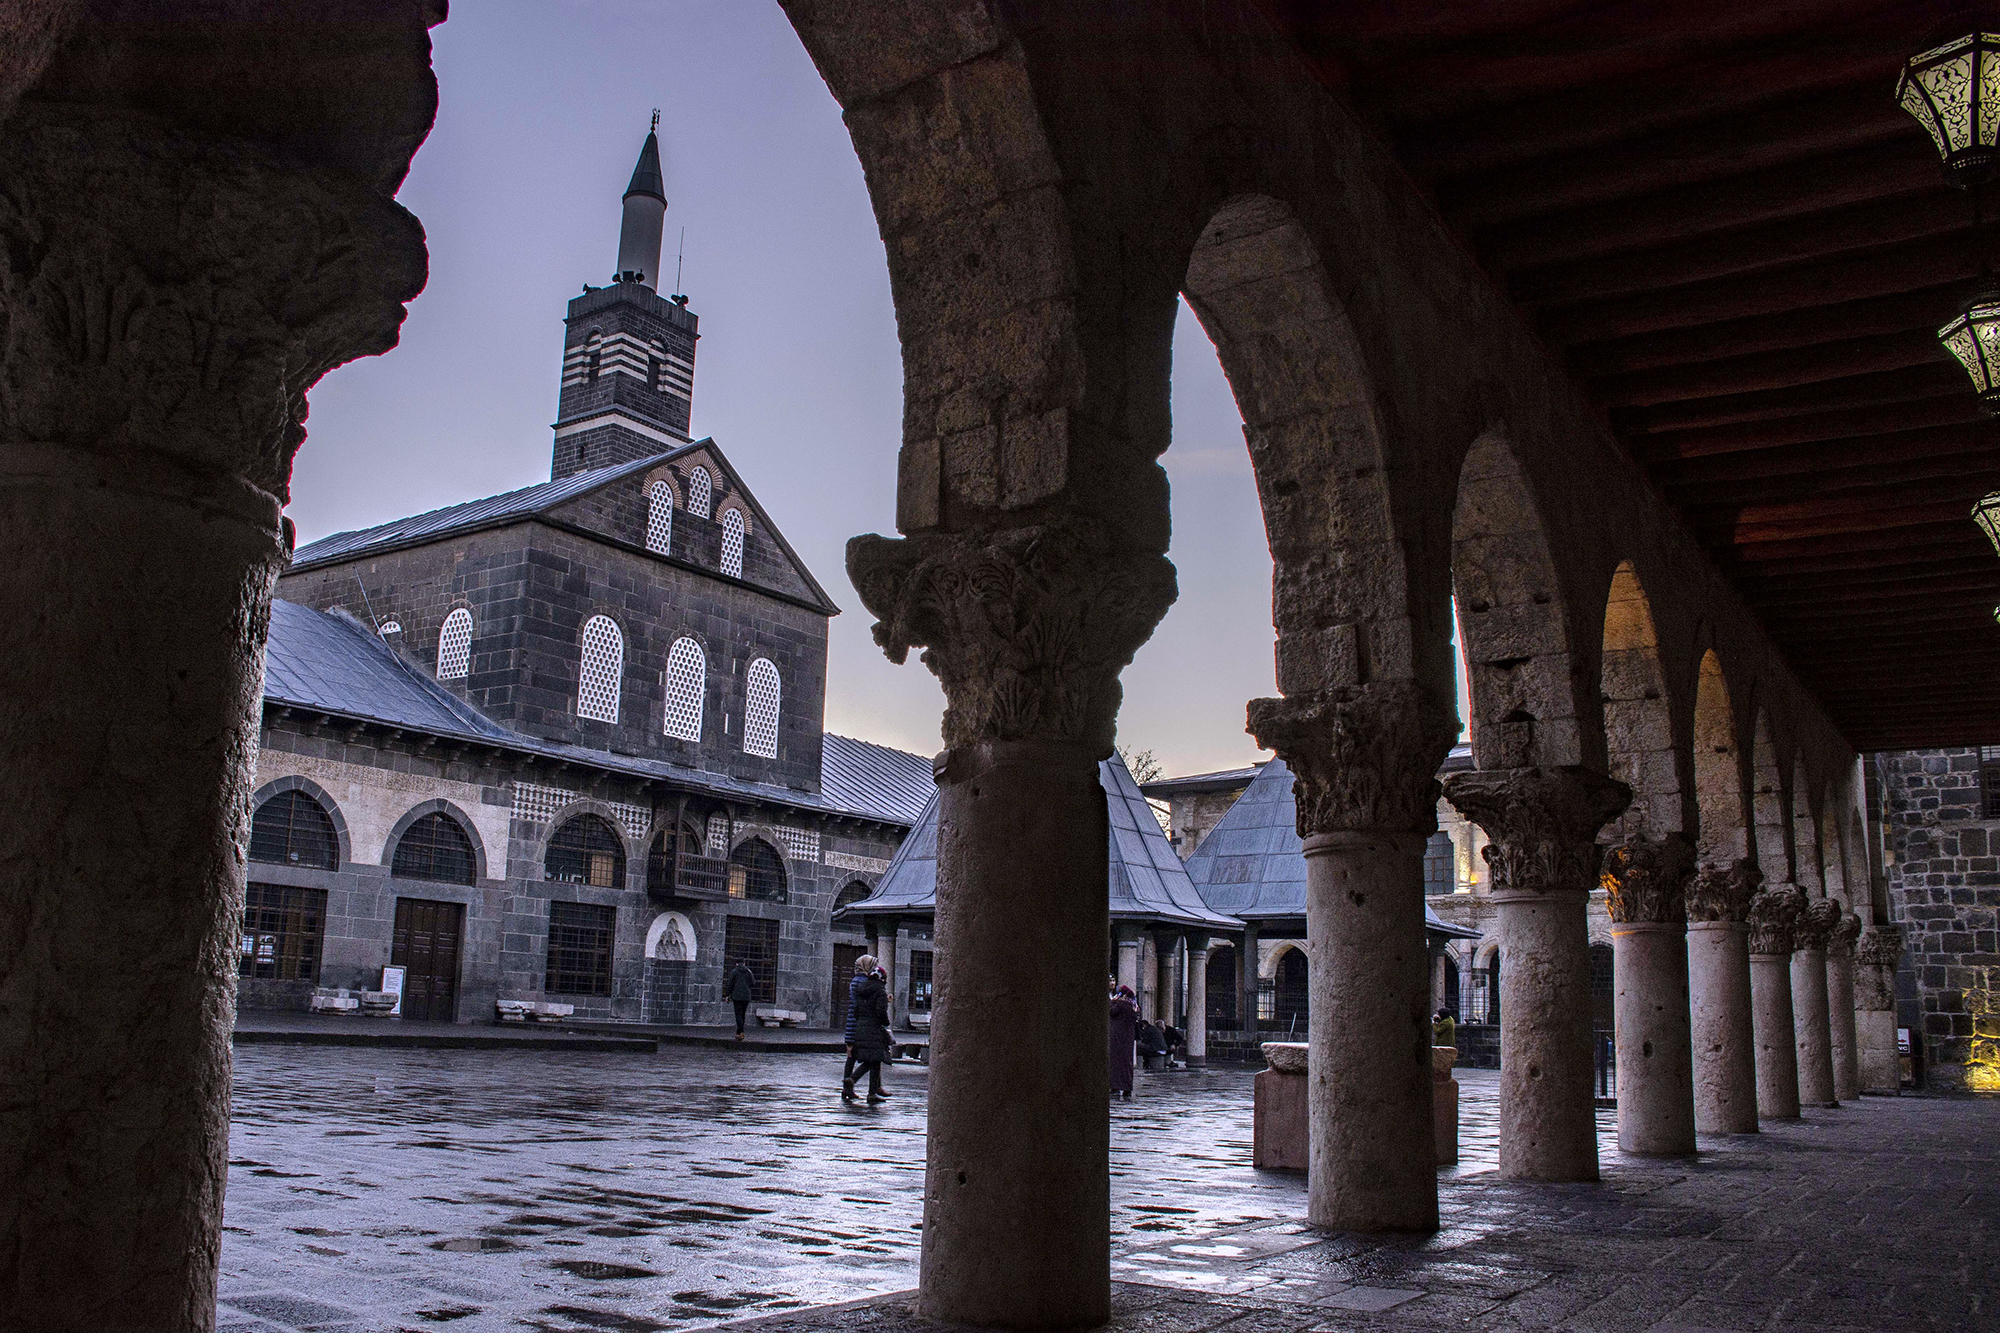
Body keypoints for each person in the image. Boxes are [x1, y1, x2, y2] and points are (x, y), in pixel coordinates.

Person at [849, 965, 894, 1104]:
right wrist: (886, 1023)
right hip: (874, 1029)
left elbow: (856, 1010)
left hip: (861, 1027)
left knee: (873, 1060)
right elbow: (881, 1012)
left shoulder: (861, 990)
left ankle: (871, 1091)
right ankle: (855, 1082)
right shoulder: (880, 991)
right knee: (875, 1059)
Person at [841, 953, 878, 1098]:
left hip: (853, 1025)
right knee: (870, 1058)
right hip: (859, 1026)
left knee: (851, 1057)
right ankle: (851, 1083)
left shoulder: (855, 980)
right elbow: (862, 1006)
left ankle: (847, 1089)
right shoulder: (863, 982)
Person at [1108, 984, 1138, 1099]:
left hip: (1118, 1037)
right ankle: (1127, 1088)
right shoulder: (1133, 1005)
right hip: (1128, 1039)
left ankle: (1115, 1086)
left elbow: (1111, 1011)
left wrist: (1113, 1001)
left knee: (1115, 1062)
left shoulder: (1121, 1004)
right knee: (1127, 1062)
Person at [726, 959, 755, 1040]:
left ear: (736, 964)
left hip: (736, 996)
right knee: (742, 1014)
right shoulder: (749, 971)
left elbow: (730, 983)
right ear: (744, 963)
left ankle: (741, 1031)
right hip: (746, 997)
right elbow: (753, 983)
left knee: (738, 1014)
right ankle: (739, 1032)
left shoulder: (734, 971)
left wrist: (727, 994)